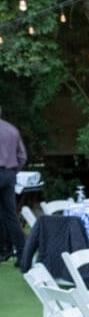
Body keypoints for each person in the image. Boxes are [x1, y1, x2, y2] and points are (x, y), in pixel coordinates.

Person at [0, 106, 27, 262]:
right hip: (9, 174)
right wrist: (12, 172)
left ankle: (3, 249)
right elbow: (22, 156)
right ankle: (22, 253)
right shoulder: (12, 130)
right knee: (10, 215)